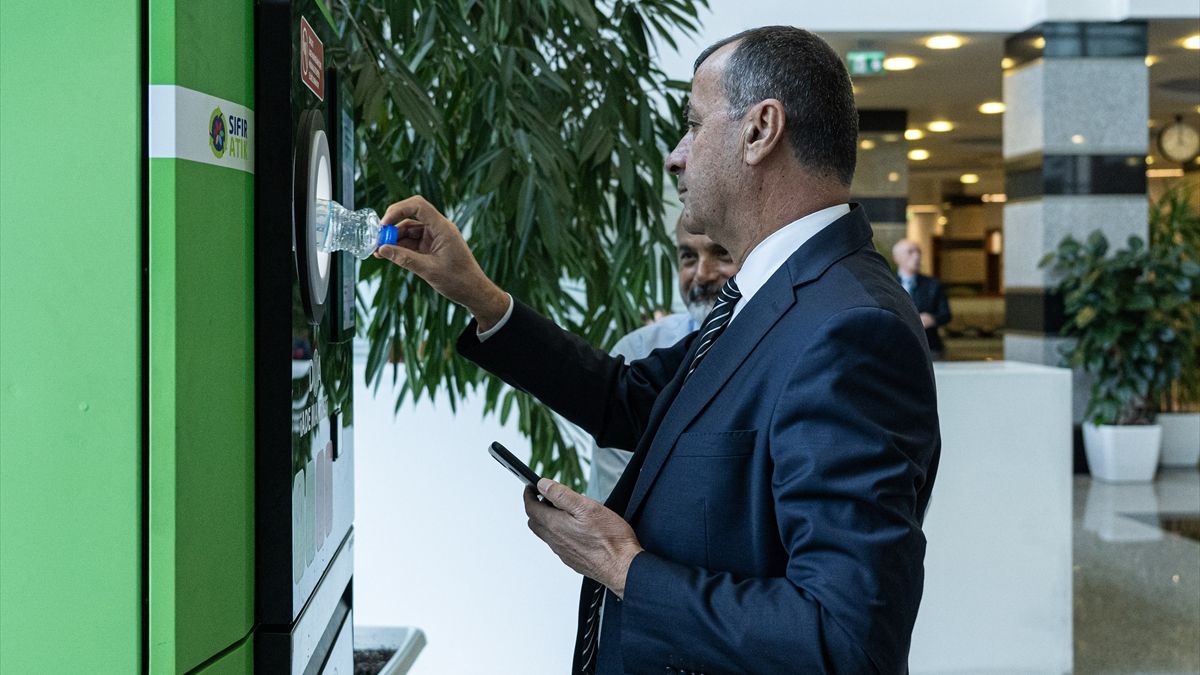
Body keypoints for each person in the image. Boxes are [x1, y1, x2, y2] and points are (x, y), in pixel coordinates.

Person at [374, 25, 940, 675]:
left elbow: (844, 642)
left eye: (693, 125)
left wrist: (623, 567)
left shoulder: (852, 328)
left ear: (760, 130)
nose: (675, 157)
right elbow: (635, 399)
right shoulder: (772, 293)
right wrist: (478, 294)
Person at [586, 221, 737, 502]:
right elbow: (612, 495)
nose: (702, 275)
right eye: (688, 257)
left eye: (722, 253)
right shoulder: (638, 351)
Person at [892, 238, 952, 359]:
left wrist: (932, 319)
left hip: (929, 347)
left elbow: (946, 314)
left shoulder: (933, 284)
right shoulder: (888, 283)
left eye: (918, 252)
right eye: (910, 252)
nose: (916, 256)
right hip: (894, 346)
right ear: (897, 258)